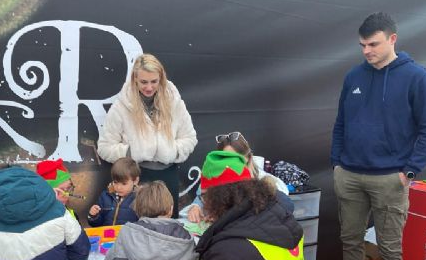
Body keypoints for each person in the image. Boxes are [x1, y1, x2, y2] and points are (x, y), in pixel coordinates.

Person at [331, 12, 426, 260]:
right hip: (350, 175)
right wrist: (337, 164)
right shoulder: (353, 76)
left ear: (392, 39)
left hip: (390, 179)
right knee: (351, 241)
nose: (367, 51)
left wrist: (410, 172)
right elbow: (341, 122)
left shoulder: (418, 77)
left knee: (390, 248)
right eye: (362, 45)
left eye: (373, 44)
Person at [179, 151, 316, 260]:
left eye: (204, 196)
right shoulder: (274, 214)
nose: (203, 203)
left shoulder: (235, 251)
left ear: (219, 197)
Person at [97, 53, 197, 217]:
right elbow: (104, 147)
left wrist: (172, 151)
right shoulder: (121, 107)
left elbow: (190, 138)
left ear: (161, 79)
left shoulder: (174, 102)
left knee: (168, 228)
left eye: (154, 81)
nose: (149, 87)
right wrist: (132, 153)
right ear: (135, 79)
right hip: (136, 177)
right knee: (137, 227)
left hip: (168, 176)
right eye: (143, 82)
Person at [182, 131, 291, 223]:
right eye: (224, 157)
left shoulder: (262, 180)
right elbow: (202, 195)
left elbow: (283, 202)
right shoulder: (215, 175)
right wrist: (196, 206)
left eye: (234, 157)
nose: (228, 162)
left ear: (247, 157)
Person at [88, 157, 140, 227]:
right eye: (115, 182)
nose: (119, 187)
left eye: (124, 183)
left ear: (135, 181)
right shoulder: (105, 196)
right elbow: (97, 224)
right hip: (108, 235)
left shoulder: (140, 199)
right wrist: (93, 216)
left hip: (128, 236)